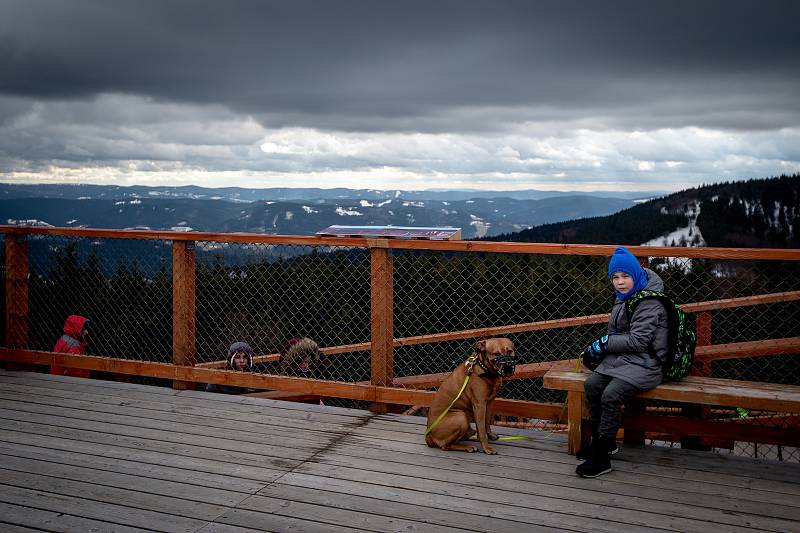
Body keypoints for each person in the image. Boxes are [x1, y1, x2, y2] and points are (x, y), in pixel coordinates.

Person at [576, 246, 669, 478]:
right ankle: (603, 443)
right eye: (615, 277)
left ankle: (601, 457)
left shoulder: (649, 301)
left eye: (625, 276)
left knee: (611, 394)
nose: (619, 282)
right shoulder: (625, 296)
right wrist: (605, 346)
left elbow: (638, 342)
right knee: (592, 385)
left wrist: (606, 343)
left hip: (647, 363)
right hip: (622, 359)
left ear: (636, 275)